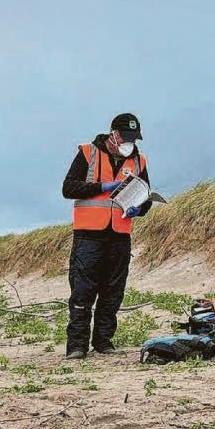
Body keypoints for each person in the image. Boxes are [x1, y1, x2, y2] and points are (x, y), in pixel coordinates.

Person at [61, 112, 152, 359]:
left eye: (134, 138)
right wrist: (101, 187)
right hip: (88, 235)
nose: (129, 143)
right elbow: (68, 188)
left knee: (113, 292)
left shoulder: (139, 160)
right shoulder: (88, 152)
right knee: (82, 291)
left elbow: (146, 195)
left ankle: (103, 341)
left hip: (120, 234)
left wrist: (140, 208)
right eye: (126, 137)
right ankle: (77, 346)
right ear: (114, 133)